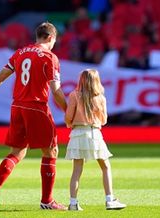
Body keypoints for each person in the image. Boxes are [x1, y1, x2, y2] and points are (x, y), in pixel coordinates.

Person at [0, 21, 67, 211]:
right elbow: (56, 92)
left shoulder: (20, 53)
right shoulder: (50, 57)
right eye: (54, 41)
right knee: (51, 152)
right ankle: (47, 201)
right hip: (37, 106)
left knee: (17, 152)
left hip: (17, 107)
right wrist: (69, 112)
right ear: (50, 37)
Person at [64, 69, 126, 211]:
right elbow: (103, 120)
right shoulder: (100, 98)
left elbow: (68, 117)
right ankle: (110, 200)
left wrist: (71, 122)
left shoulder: (74, 95)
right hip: (94, 133)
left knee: (77, 170)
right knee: (105, 167)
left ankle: (73, 203)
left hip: (77, 133)